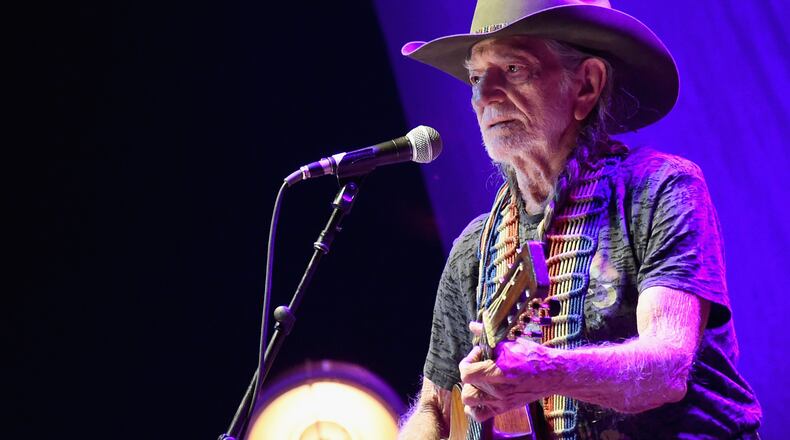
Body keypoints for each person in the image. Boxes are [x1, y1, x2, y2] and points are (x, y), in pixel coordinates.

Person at [397, 0, 762, 439]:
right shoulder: (475, 249)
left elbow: (667, 367)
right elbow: (432, 412)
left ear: (586, 85)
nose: (484, 95)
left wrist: (548, 371)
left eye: (513, 69)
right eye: (476, 77)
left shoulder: (660, 188)